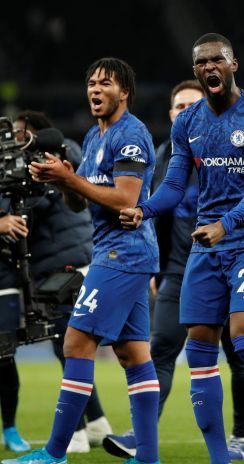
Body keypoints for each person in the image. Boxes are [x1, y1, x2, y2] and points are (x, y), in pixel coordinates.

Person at [119, 33, 244, 464]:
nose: (210, 67)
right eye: (201, 62)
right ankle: (219, 459)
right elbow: (173, 186)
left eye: (217, 60)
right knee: (200, 350)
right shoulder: (187, 123)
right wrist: (144, 210)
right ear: (195, 70)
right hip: (208, 245)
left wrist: (225, 225)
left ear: (233, 64)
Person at [3, 57, 160, 464]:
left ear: (123, 92)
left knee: (75, 344)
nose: (95, 89)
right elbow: (79, 202)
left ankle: (54, 453)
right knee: (133, 355)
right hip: (119, 252)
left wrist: (72, 180)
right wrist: (67, 179)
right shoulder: (94, 137)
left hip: (122, 253)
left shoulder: (131, 135)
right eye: (91, 82)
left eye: (105, 83)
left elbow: (126, 198)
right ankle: (148, 457)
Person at [104, 80, 244, 461]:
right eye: (179, 107)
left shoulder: (233, 150)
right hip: (177, 269)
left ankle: (242, 438)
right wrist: (154, 267)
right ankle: (142, 436)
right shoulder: (162, 156)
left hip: (230, 263)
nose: (185, 112)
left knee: (238, 354)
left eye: (194, 104)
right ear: (171, 115)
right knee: (160, 350)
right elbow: (155, 211)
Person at [1, 110, 113, 454]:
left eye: (24, 135)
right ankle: (96, 423)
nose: (19, 142)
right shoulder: (62, 164)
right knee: (69, 341)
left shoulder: (57, 165)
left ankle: (76, 433)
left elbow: (37, 206)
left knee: (69, 343)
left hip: (63, 266)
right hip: (78, 261)